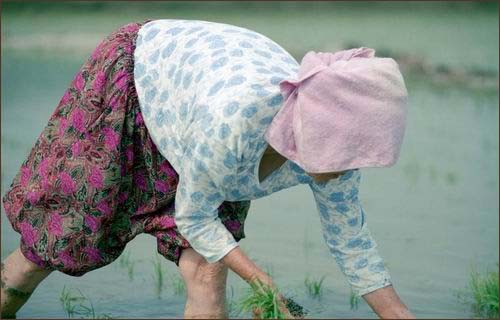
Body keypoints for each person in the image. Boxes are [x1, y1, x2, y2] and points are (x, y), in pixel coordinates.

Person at [1, 18, 415, 319]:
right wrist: (264, 286)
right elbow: (195, 217)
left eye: (359, 156)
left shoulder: (338, 145)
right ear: (312, 129)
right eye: (345, 155)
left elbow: (352, 244)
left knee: (208, 268)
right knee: (57, 240)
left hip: (197, 106)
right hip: (140, 78)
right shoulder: (234, 125)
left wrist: (398, 315)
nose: (349, 169)